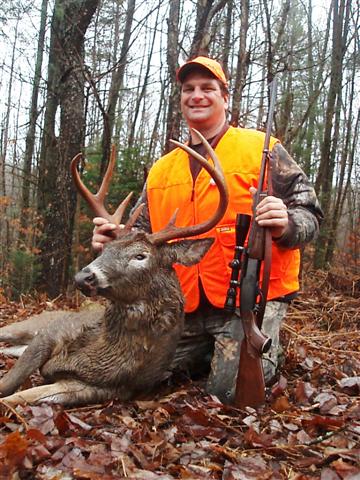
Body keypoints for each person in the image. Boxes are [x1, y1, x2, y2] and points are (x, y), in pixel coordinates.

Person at [92, 56, 323, 403]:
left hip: (250, 302)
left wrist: (287, 223)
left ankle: (253, 347)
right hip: (183, 306)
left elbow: (311, 214)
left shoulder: (262, 150)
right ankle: (208, 351)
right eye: (188, 89)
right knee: (133, 377)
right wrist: (112, 242)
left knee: (226, 395)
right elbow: (141, 237)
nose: (196, 95)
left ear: (225, 98)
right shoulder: (162, 170)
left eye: (207, 88)